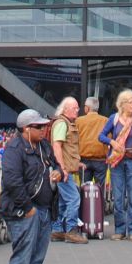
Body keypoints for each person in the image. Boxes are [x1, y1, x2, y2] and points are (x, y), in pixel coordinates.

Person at [2, 109, 60, 264]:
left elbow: (56, 165)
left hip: (44, 208)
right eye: (39, 127)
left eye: (44, 126)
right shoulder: (14, 149)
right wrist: (27, 208)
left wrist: (58, 173)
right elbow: (12, 181)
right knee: (23, 254)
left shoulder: (43, 146)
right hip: (23, 210)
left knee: (37, 255)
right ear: (26, 128)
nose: (44, 129)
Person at [99, 90, 132, 243]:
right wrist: (112, 142)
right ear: (122, 104)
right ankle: (120, 230)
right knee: (118, 197)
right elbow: (101, 136)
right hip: (117, 161)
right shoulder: (113, 119)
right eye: (130, 101)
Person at [47, 97, 86, 245]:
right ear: (65, 109)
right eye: (75, 108)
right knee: (74, 199)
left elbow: (66, 149)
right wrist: (62, 168)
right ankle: (71, 230)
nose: (78, 110)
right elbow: (57, 147)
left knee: (63, 201)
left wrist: (77, 163)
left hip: (66, 169)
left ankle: (57, 230)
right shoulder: (63, 124)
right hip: (64, 171)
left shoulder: (64, 123)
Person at [72, 95, 108, 238]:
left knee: (83, 190)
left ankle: (84, 219)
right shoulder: (105, 120)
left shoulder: (79, 121)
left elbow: (74, 139)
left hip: (84, 160)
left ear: (86, 108)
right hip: (100, 160)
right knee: (100, 190)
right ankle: (99, 218)